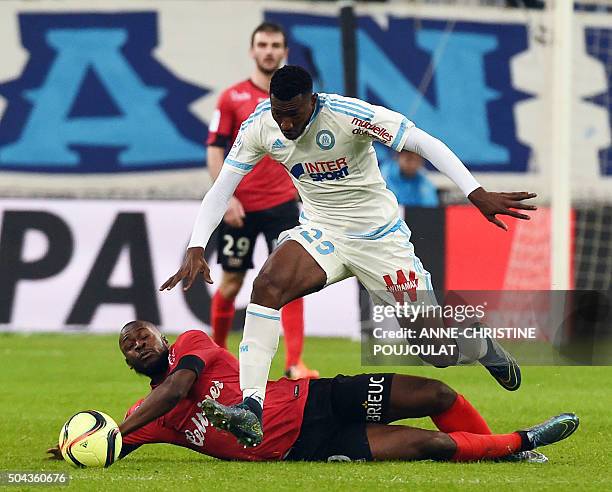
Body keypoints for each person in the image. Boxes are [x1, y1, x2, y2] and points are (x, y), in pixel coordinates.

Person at [160, 65, 539, 447]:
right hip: (322, 231)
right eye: (279, 114)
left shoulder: (349, 116)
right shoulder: (261, 125)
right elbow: (223, 187)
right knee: (268, 285)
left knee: (435, 350)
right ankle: (251, 408)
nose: (286, 125)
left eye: (293, 114)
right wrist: (197, 244)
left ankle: (482, 346)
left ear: (313, 100)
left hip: (380, 239)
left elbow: (422, 142)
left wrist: (475, 192)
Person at [47, 322, 578, 463]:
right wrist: (79, 447)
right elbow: (119, 445)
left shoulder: (192, 345)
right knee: (430, 447)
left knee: (435, 394)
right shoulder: (143, 419)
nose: (137, 341)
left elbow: (179, 388)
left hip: (315, 398)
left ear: (162, 338)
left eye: (142, 333)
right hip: (307, 447)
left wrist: (119, 426)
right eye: (128, 344)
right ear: (127, 362)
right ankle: (521, 442)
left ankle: (503, 451)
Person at [206, 23, 317, 379]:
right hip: (241, 208)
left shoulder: (297, 99)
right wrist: (228, 198)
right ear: (252, 50)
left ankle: (295, 363)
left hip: (282, 205)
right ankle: (216, 356)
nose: (269, 51)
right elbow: (214, 150)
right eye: (263, 45)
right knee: (232, 283)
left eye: (275, 45)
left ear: (285, 52)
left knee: (292, 280)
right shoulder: (231, 98)